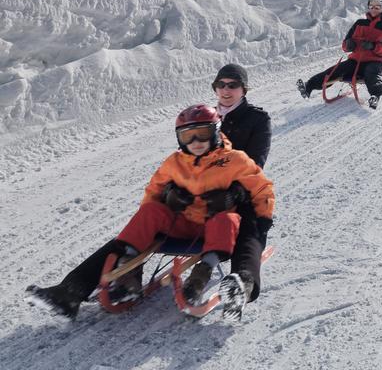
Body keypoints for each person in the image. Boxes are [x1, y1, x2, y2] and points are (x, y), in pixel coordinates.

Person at [25, 105, 275, 321]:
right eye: (188, 136)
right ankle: (75, 290)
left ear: (217, 132)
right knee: (151, 211)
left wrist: (262, 220)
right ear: (179, 139)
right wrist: (167, 195)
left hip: (214, 228)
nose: (196, 142)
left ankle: (201, 274)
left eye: (203, 133)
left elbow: (262, 188)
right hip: (181, 222)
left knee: (228, 218)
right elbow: (152, 192)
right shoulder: (173, 163)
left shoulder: (235, 160)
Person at [209, 63, 272, 309]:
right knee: (156, 213)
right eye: (221, 85)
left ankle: (242, 283)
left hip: (242, 190)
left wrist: (235, 191)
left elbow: (256, 163)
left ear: (243, 89)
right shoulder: (206, 117)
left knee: (250, 225)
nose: (226, 90)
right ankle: (108, 274)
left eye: (233, 85)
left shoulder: (257, 119)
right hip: (201, 189)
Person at [297, 0, 382, 109]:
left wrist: (374, 46)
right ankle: (309, 86)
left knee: (370, 72)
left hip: (377, 62)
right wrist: (349, 45)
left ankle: (375, 96)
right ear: (368, 8)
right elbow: (345, 45)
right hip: (356, 60)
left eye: (377, 7)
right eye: (371, 7)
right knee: (336, 69)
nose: (374, 10)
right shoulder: (359, 24)